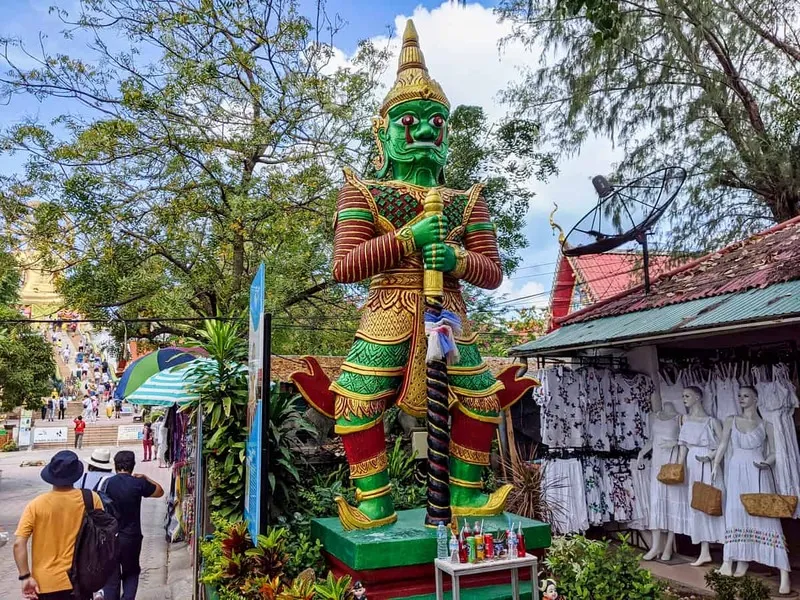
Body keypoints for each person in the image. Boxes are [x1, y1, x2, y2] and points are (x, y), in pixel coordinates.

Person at [13, 450, 104, 600]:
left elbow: (19, 544)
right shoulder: (91, 499)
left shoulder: (36, 505)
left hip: (45, 583)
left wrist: (25, 577)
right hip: (81, 580)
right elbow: (102, 537)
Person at [102, 451, 164, 600]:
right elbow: (160, 492)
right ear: (133, 465)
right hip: (132, 537)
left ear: (115, 465)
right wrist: (146, 477)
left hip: (111, 537)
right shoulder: (138, 483)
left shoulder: (107, 483)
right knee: (131, 573)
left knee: (111, 576)